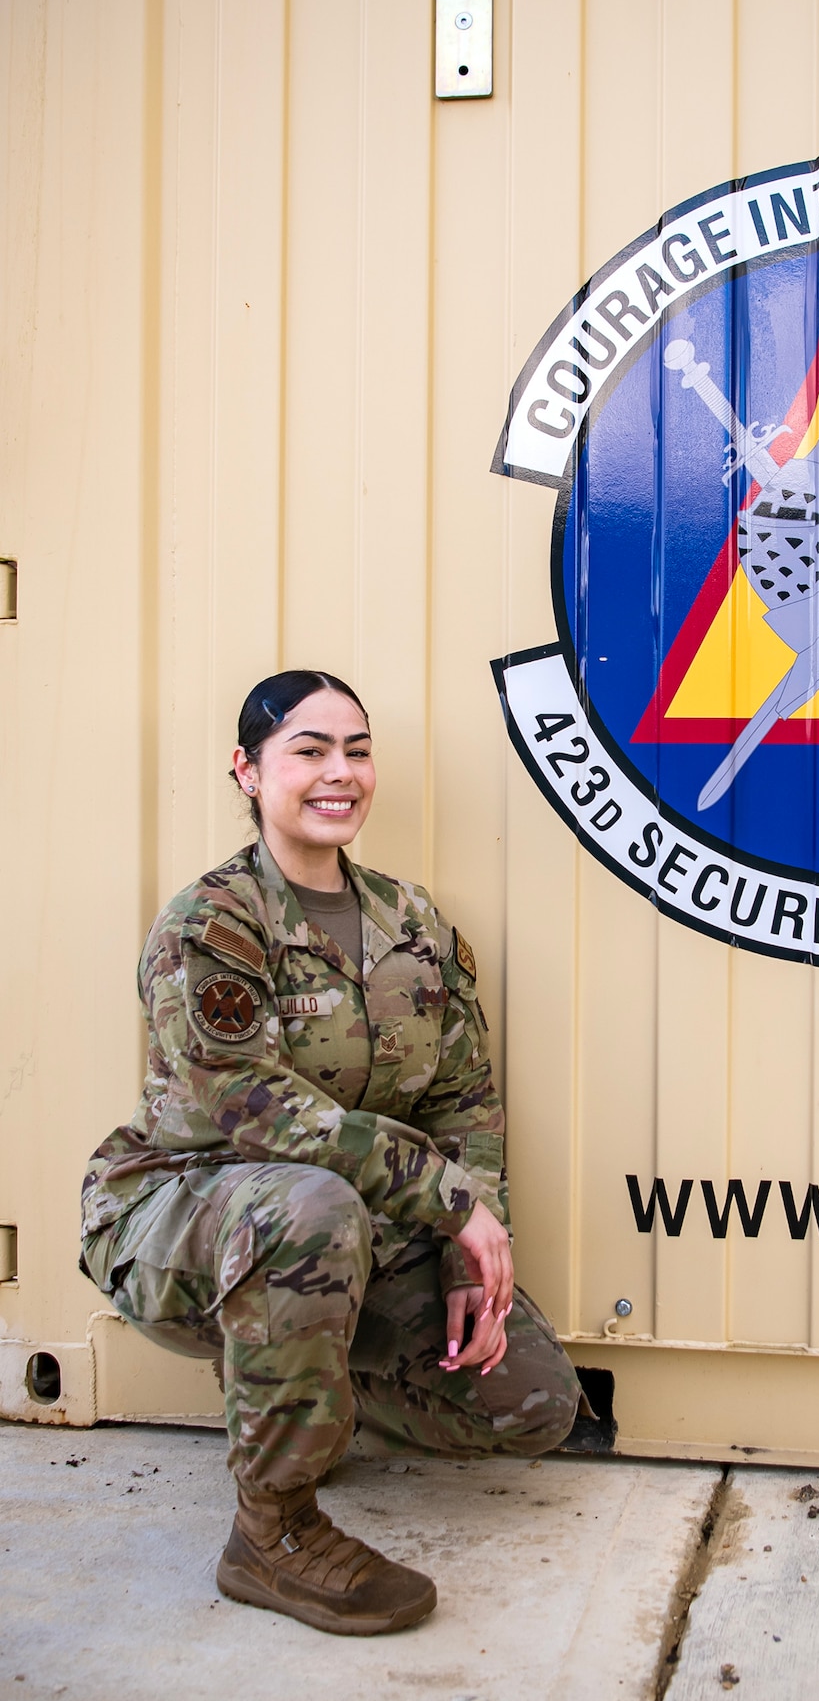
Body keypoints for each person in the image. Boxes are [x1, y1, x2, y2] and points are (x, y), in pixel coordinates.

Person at [79, 669, 580, 1636]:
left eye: (356, 750)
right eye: (308, 750)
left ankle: (298, 1392)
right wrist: (446, 1201)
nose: (338, 772)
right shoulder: (212, 924)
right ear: (248, 769)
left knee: (529, 1405)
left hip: (354, 1228)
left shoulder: (416, 926)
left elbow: (462, 1099)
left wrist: (463, 1244)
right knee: (311, 1202)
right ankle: (273, 1533)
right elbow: (250, 1107)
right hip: (185, 1216)